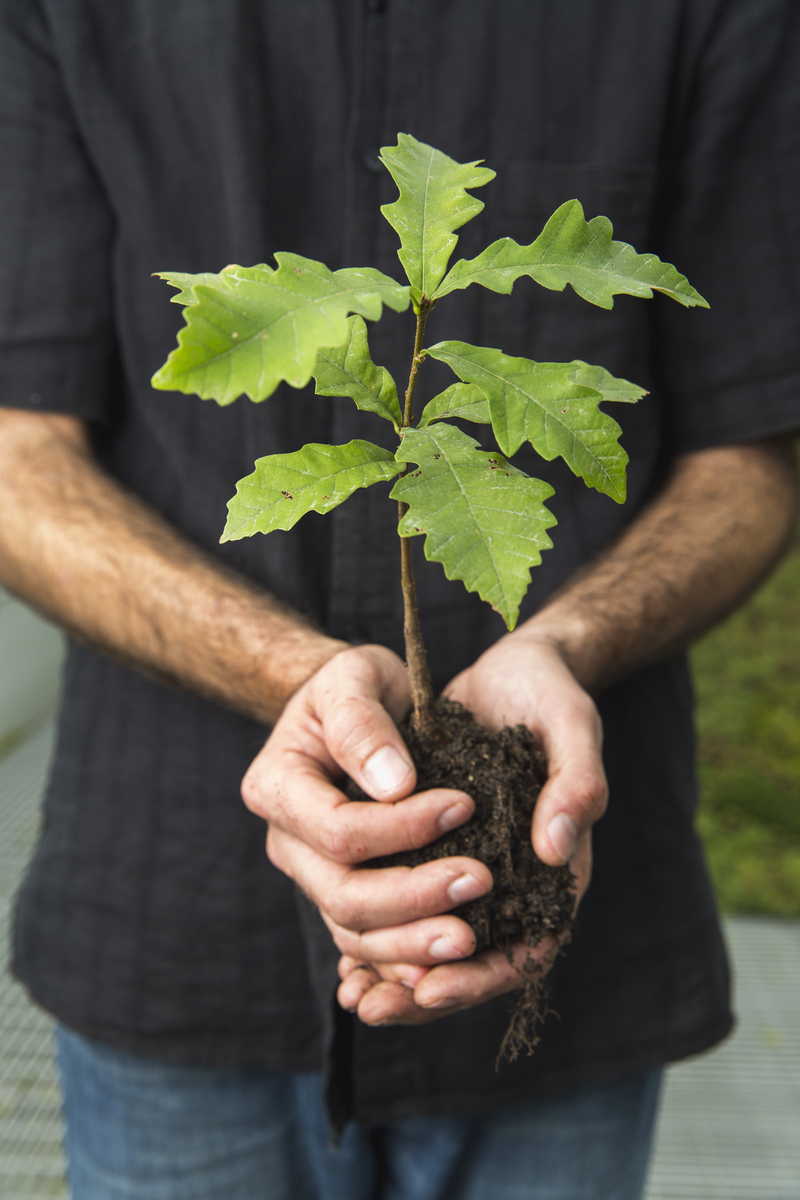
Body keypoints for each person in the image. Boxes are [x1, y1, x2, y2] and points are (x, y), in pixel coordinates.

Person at [0, 1, 798, 1197]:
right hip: (170, 927)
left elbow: (751, 450)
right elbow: (18, 451)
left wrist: (565, 639)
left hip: (575, 938)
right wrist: (287, 669)